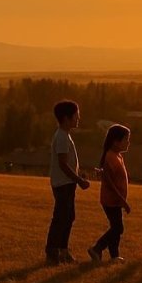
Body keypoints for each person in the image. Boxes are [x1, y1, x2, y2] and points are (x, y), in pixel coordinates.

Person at [46, 100, 89, 265]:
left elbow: (68, 163)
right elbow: (63, 164)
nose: (78, 118)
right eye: (76, 116)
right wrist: (79, 181)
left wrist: (79, 174)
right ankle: (52, 251)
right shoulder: (62, 137)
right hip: (63, 184)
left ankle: (63, 250)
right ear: (66, 118)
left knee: (68, 216)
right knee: (61, 218)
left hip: (67, 182)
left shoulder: (65, 135)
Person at [89, 124, 132, 263]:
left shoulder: (117, 156)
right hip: (111, 200)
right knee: (118, 228)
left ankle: (114, 256)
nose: (128, 142)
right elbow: (109, 183)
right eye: (126, 139)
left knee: (116, 227)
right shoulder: (110, 157)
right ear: (115, 141)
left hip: (116, 200)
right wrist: (123, 201)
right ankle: (97, 248)